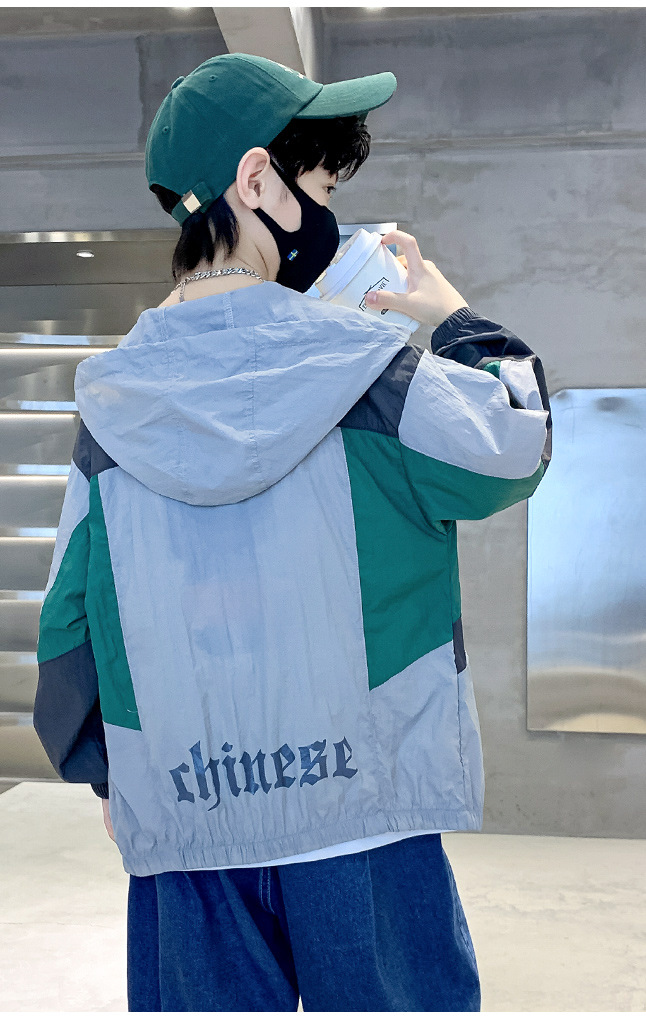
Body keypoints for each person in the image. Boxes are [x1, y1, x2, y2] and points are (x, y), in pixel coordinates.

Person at [33, 53, 552, 1012]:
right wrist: (457, 321)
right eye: (320, 187)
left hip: (189, 828)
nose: (328, 216)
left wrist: (109, 776)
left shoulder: (109, 411)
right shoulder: (371, 374)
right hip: (366, 822)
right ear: (257, 181)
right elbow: (513, 446)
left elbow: (66, 628)